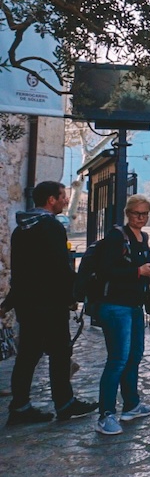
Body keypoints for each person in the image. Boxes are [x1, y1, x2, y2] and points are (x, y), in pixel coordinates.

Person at [3, 181, 99, 424]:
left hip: (27, 304)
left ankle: (20, 407)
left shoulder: (21, 229)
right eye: (63, 196)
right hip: (49, 303)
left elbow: (20, 271)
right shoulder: (51, 227)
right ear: (51, 200)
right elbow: (59, 268)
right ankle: (65, 404)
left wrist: (10, 301)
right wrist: (72, 296)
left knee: (27, 355)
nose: (66, 200)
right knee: (60, 353)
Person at [93, 194, 150, 436]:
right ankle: (106, 414)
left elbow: (143, 265)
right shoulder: (116, 236)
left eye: (144, 214)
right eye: (136, 213)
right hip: (115, 306)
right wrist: (137, 271)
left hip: (134, 305)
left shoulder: (143, 237)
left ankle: (131, 405)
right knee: (117, 359)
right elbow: (107, 269)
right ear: (127, 213)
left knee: (134, 355)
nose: (140, 218)